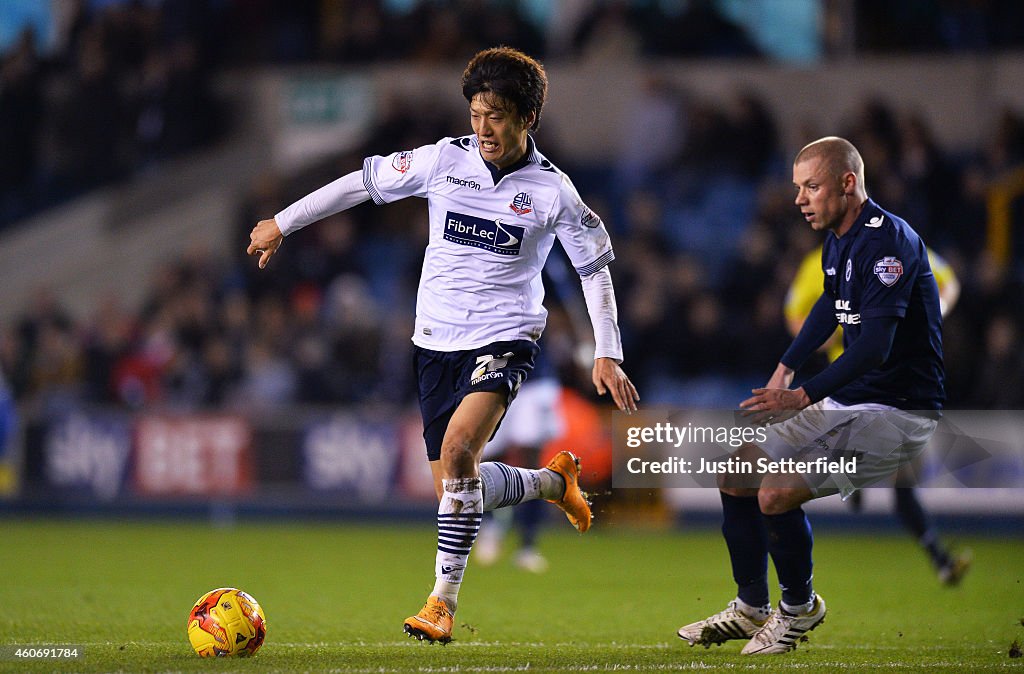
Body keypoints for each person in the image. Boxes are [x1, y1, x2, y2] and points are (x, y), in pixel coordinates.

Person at [247, 47, 639, 644]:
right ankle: (554, 484)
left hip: (507, 337)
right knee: (459, 489)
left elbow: (595, 268)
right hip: (434, 343)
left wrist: (607, 350)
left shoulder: (554, 191)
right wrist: (284, 221)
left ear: (528, 117)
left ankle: (440, 603)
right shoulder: (441, 161)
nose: (483, 127)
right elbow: (361, 184)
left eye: (498, 115)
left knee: (459, 451)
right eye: (477, 113)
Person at [677, 136, 945, 655]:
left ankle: (799, 611)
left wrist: (802, 395)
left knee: (776, 491)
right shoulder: (839, 238)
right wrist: (786, 365)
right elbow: (830, 303)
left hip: (899, 414)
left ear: (848, 183)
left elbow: (874, 348)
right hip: (850, 402)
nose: (799, 199)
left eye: (811, 187)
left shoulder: (888, 242)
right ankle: (752, 607)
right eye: (797, 187)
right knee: (736, 474)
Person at [785, 244, 970, 585]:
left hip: (900, 386)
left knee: (903, 484)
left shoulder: (901, 247)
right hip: (852, 388)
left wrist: (931, 312)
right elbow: (795, 317)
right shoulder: (817, 263)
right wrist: (839, 328)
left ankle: (940, 559)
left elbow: (949, 283)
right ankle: (851, 476)